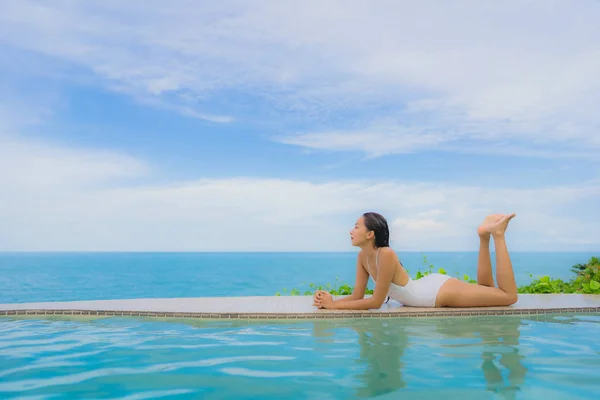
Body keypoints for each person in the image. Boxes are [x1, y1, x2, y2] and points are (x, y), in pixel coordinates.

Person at [313, 212, 519, 309]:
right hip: (426, 288)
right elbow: (358, 295)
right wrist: (330, 301)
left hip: (437, 294)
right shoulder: (363, 257)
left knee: (507, 296)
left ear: (370, 234)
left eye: (356, 226)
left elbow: (376, 302)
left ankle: (498, 235)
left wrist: (334, 306)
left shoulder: (386, 254)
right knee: (486, 289)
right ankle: (484, 237)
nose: (351, 231)